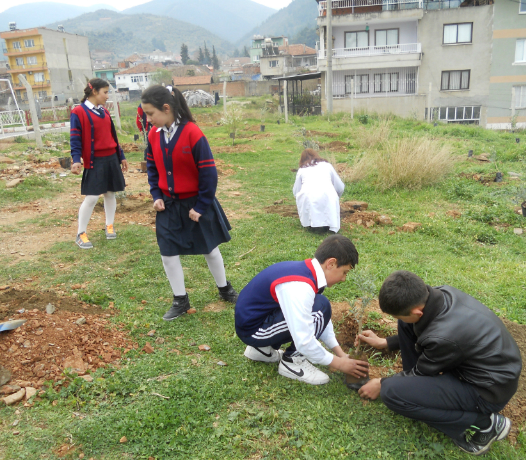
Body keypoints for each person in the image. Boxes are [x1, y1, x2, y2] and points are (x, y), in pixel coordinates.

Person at [357, 271, 522, 455]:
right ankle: (413, 389)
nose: (398, 320)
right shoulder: (440, 294)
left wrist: (381, 383)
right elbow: (414, 327)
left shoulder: (442, 337)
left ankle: (486, 425)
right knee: (407, 324)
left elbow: (423, 371)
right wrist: (385, 343)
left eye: (399, 316)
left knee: (391, 393)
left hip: (487, 391)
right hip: (487, 367)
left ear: (417, 311)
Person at [141, 85, 238, 320]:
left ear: (166, 108)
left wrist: (201, 206)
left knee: (210, 249)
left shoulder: (193, 133)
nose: (148, 119)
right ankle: (180, 300)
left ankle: (224, 288)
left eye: (151, 113)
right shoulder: (154, 135)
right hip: (168, 205)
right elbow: (152, 168)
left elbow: (208, 174)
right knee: (167, 253)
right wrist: (156, 195)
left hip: (195, 203)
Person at [235, 235, 369, 385]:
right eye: (344, 272)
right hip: (253, 330)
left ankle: (261, 350)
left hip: (257, 320)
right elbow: (304, 340)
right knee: (320, 307)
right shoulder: (301, 287)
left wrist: (340, 353)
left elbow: (321, 319)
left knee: (320, 307)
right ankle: (292, 362)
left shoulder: (309, 272)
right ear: (331, 264)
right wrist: (338, 363)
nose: (344, 279)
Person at [70, 78, 128, 249]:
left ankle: (109, 225)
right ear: (94, 92)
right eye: (105, 92)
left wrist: (121, 156)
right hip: (95, 160)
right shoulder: (78, 112)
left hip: (111, 158)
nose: (107, 96)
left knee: (110, 194)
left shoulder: (105, 112)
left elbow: (113, 137)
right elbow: (75, 138)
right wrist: (76, 159)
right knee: (93, 196)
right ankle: (81, 233)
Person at [293, 149, 344, 234]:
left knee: (308, 200)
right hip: (328, 195)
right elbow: (340, 187)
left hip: (308, 197)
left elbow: (296, 191)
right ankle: (328, 224)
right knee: (328, 200)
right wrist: (336, 198)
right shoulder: (327, 166)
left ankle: (312, 224)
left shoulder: (302, 169)